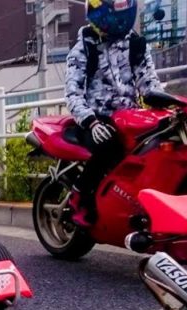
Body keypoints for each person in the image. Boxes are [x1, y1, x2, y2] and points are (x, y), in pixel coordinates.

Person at [64, 0, 162, 227]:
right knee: (108, 145)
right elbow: (73, 93)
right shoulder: (84, 48)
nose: (119, 21)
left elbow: (149, 82)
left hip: (131, 118)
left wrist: (166, 102)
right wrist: (90, 121)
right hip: (97, 118)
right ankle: (80, 197)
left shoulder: (137, 44)